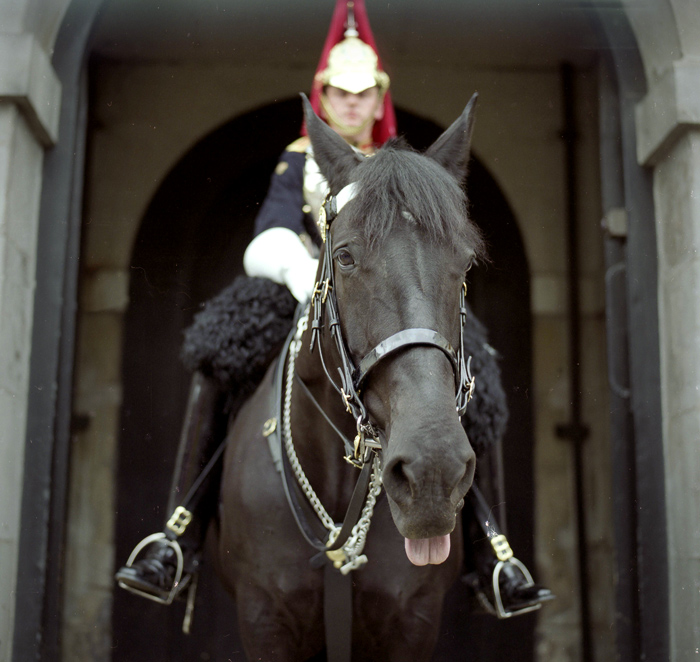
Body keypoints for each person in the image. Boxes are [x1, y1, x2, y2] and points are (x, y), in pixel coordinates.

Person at [115, 0, 552, 621]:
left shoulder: (404, 170)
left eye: (363, 93)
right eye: (339, 93)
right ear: (324, 96)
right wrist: (299, 270)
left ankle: (494, 553)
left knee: (475, 366)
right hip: (307, 283)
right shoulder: (301, 155)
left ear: (379, 99)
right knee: (218, 352)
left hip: (392, 298)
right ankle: (178, 534)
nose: (351, 104)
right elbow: (269, 229)